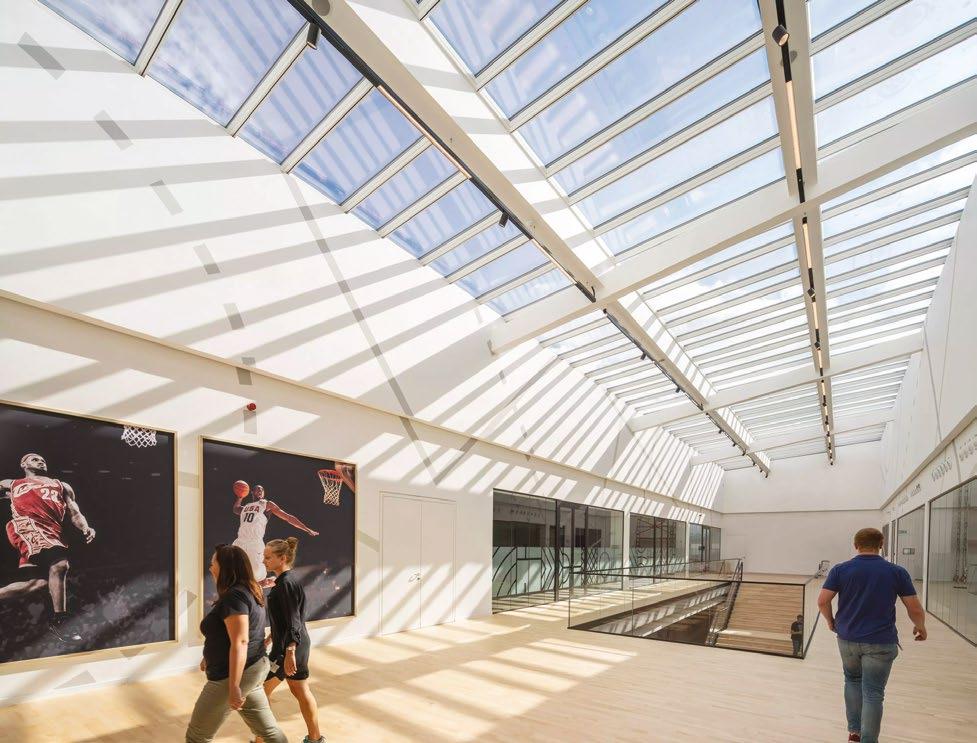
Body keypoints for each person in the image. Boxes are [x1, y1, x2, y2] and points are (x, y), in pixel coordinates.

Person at [817, 527, 926, 743]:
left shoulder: (840, 570)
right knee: (873, 693)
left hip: (847, 639)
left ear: (856, 546)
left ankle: (855, 732)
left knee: (852, 681)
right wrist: (920, 626)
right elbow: (914, 608)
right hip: (881, 642)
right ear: (881, 545)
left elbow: (822, 601)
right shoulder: (896, 572)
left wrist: (830, 621)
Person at [187, 544, 287, 743]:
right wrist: (208, 657)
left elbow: (241, 641)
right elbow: (227, 633)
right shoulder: (248, 590)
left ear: (225, 567)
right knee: (268, 732)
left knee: (197, 736)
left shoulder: (235, 596)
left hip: (234, 675)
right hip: (253, 668)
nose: (210, 567)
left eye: (213, 563)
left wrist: (234, 686)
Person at [0, 453, 95, 643]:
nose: (40, 461)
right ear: (23, 464)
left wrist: (85, 527)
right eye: (34, 459)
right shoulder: (11, 484)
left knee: (37, 584)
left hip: (52, 532)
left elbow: (75, 512)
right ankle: (61, 620)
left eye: (42, 459)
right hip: (27, 525)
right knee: (60, 564)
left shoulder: (61, 485)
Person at [255, 537, 323, 743]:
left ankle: (263, 740)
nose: (264, 561)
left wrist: (290, 651)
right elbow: (285, 618)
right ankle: (315, 739)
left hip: (289, 648)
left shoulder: (286, 584)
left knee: (260, 691)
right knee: (300, 690)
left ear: (282, 558)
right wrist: (271, 637)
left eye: (268, 557)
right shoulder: (285, 582)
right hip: (292, 645)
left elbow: (294, 619)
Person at [233, 484, 319, 581]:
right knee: (230, 568)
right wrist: (240, 497)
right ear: (251, 492)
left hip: (254, 543)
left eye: (262, 490)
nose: (260, 491)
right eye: (257, 489)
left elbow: (288, 517)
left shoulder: (266, 504)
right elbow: (236, 509)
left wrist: (306, 529)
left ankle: (264, 581)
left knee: (256, 574)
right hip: (240, 540)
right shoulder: (246, 507)